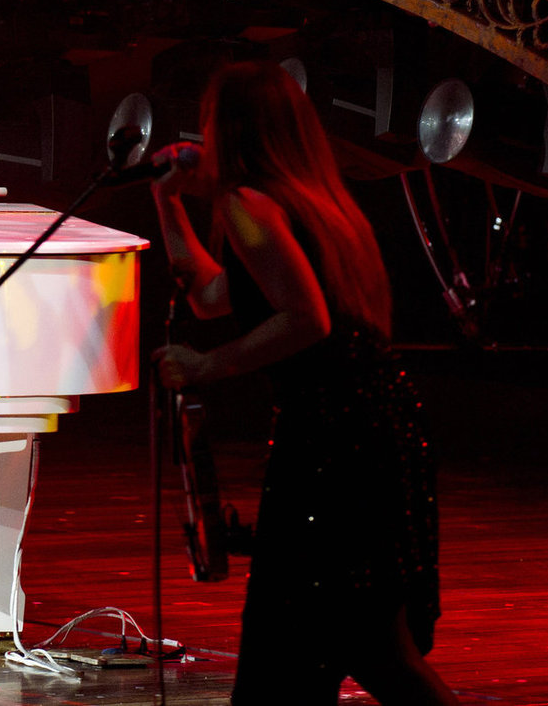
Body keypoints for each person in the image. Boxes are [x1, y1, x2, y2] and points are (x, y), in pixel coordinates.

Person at [149, 61, 457, 705]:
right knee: (369, 640)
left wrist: (206, 366)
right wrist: (167, 201)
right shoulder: (310, 206)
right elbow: (210, 294)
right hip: (370, 428)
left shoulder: (247, 206)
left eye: (209, 121)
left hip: (336, 438)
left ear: (230, 128)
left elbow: (306, 318)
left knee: (317, 639)